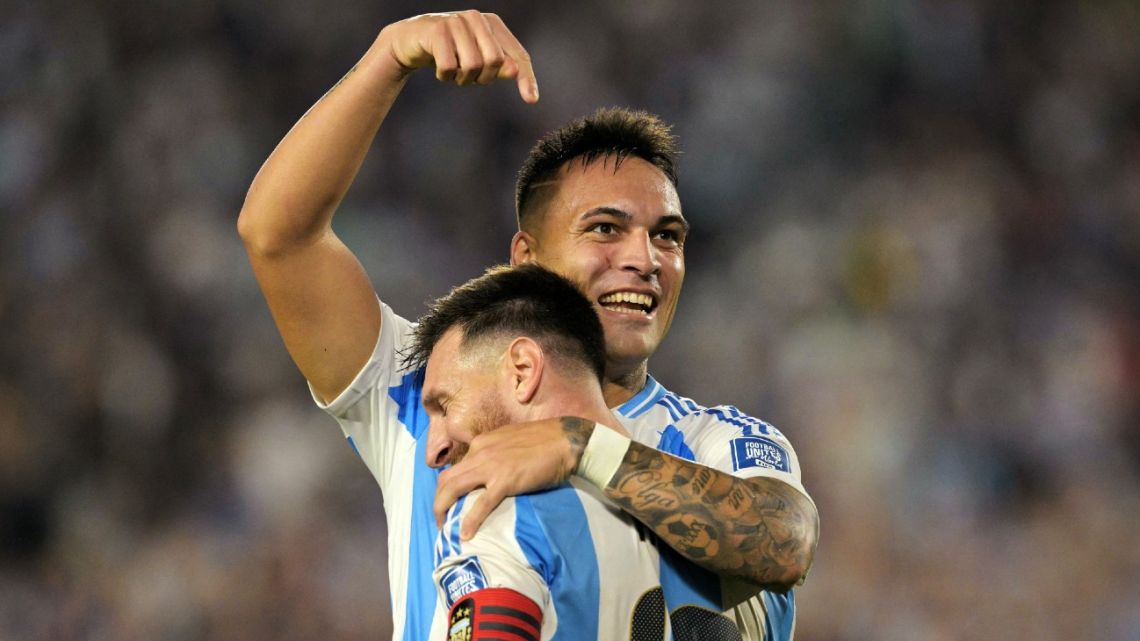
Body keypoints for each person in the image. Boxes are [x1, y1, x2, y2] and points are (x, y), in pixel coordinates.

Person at [237, 10, 818, 640]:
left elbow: (784, 545)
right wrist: (387, 59)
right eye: (605, 228)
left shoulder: (714, 439)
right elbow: (279, 238)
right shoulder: (432, 400)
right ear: (527, 260)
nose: (645, 260)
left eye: (667, 237)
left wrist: (585, 446)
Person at [409, 263, 695, 639]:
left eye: (445, 406)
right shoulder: (717, 505)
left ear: (523, 370)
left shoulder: (500, 514)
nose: (434, 451)